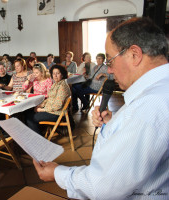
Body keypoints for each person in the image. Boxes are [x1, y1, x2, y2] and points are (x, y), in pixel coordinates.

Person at [33, 17, 169, 199]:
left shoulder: (148, 108)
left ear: (134, 54)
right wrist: (113, 124)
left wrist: (57, 173)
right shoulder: (160, 90)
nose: (109, 70)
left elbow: (104, 186)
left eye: (110, 61)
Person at [26, 64, 70, 134]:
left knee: (30, 119)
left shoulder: (62, 87)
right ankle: (38, 134)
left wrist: (41, 109)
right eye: (53, 73)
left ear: (62, 74)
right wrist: (41, 105)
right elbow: (50, 98)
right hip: (51, 110)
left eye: (58, 73)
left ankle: (39, 140)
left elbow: (57, 106)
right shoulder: (57, 83)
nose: (55, 75)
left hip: (57, 114)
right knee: (28, 114)